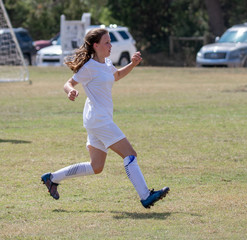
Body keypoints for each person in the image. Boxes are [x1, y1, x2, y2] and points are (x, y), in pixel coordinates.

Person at [41, 28, 169, 209]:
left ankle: (52, 178)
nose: (110, 45)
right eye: (107, 42)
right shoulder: (88, 68)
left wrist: (132, 64)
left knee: (96, 166)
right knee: (130, 154)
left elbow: (116, 75)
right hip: (99, 119)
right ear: (96, 45)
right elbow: (68, 83)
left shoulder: (107, 63)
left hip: (96, 119)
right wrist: (71, 91)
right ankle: (145, 195)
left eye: (110, 41)